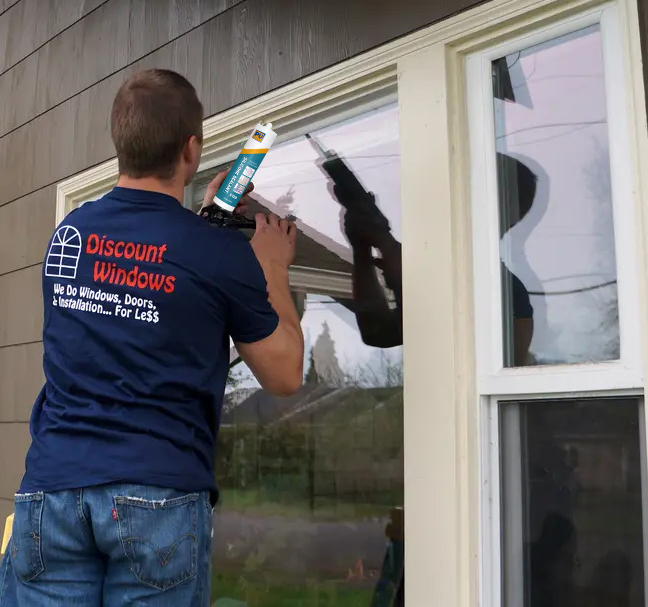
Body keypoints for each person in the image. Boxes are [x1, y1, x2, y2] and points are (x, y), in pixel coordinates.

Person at [0, 69, 304, 606]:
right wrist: (272, 269)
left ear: (121, 142)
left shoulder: (70, 234)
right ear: (191, 149)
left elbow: (149, 284)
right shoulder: (216, 254)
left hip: (51, 492)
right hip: (156, 495)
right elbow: (284, 375)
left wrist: (207, 221)